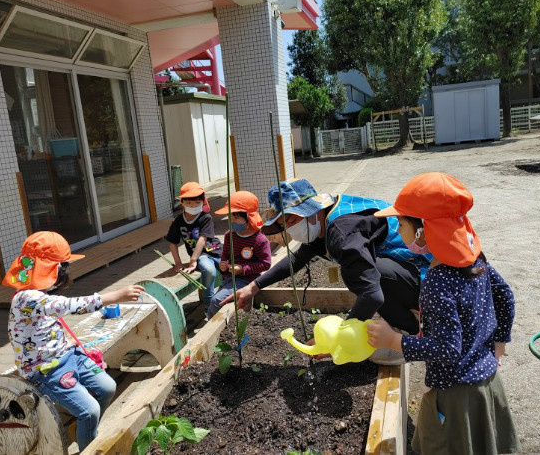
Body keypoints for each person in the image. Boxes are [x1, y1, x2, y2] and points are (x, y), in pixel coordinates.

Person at [366, 172, 521, 454]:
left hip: (455, 397)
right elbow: (505, 296)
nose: (397, 230)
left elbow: (448, 350)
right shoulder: (475, 260)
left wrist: (394, 341)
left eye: (401, 223)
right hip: (488, 383)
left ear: (424, 231)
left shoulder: (437, 282)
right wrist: (499, 344)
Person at [222, 178, 431, 365]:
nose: (289, 228)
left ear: (311, 211)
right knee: (365, 272)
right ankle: (405, 318)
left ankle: (407, 337)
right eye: (282, 223)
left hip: (427, 275)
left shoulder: (342, 233)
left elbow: (372, 295)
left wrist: (337, 340)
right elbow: (296, 259)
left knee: (368, 275)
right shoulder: (325, 216)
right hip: (410, 268)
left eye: (292, 220)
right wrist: (254, 286)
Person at [4, 231, 144, 451]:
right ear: (51, 269)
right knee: (89, 410)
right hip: (45, 369)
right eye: (64, 268)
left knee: (107, 387)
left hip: (66, 356)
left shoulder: (38, 294)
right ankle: (89, 445)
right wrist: (116, 295)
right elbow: (70, 306)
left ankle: (86, 429)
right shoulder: (27, 297)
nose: (66, 273)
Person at [207, 191, 272, 318]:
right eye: (229, 216)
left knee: (216, 301)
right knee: (218, 302)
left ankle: (211, 330)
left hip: (247, 281)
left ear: (249, 217)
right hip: (228, 279)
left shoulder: (259, 240)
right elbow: (225, 254)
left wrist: (242, 269)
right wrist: (223, 264)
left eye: (236, 217)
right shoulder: (229, 235)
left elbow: (265, 264)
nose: (231, 221)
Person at [166, 182, 222, 312]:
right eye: (189, 203)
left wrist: (192, 260)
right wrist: (178, 263)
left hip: (216, 250)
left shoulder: (205, 217)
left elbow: (202, 239)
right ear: (182, 202)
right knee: (209, 271)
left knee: (229, 269)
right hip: (200, 255)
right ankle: (209, 303)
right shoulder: (178, 221)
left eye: (197, 203)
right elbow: (172, 242)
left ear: (203, 202)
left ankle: (226, 296)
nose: (193, 206)